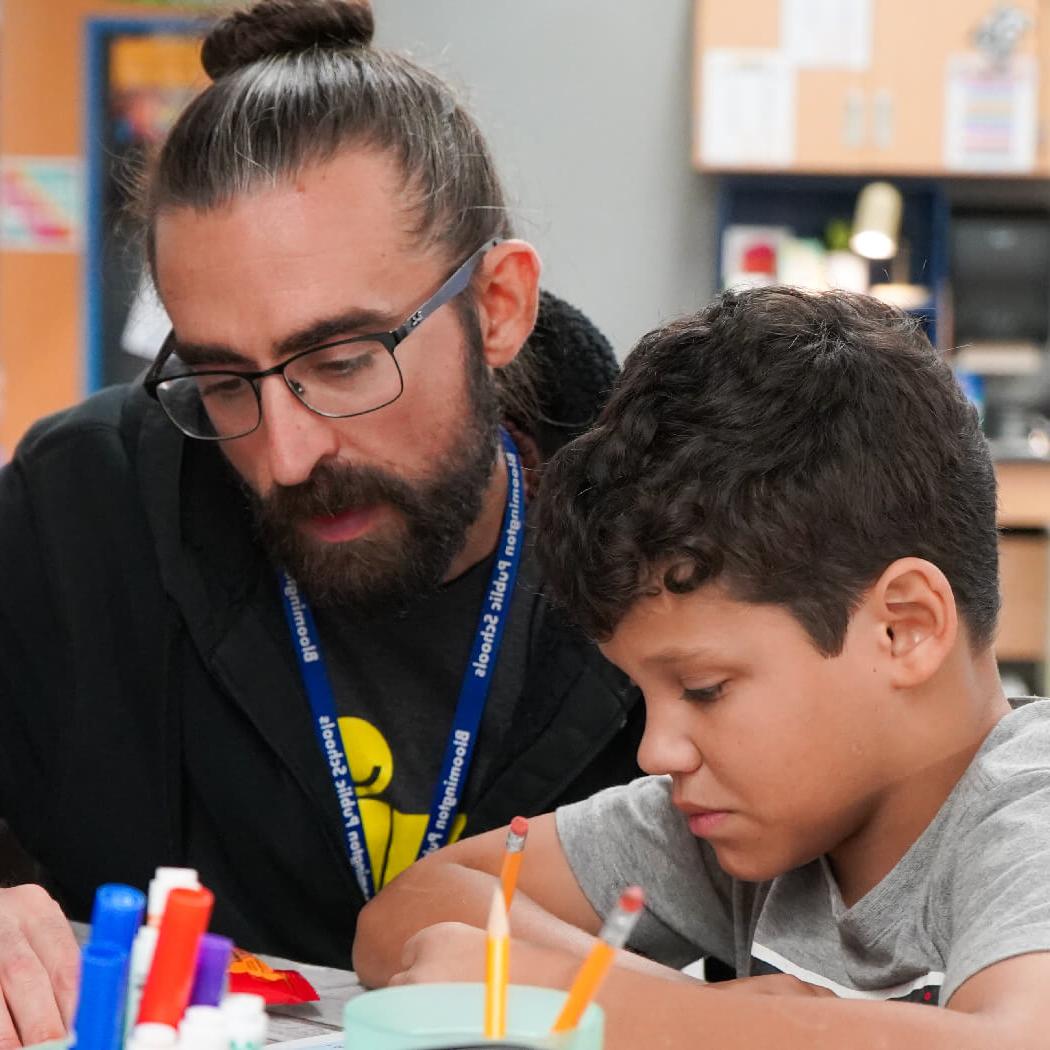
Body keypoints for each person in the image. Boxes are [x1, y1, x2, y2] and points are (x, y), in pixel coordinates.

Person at [0, 0, 645, 1043]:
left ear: (498, 307)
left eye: (342, 363)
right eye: (220, 380)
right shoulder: (77, 508)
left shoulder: (667, 557)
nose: (286, 456)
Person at [353, 287, 1050, 1049]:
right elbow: (409, 912)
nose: (658, 751)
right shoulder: (747, 824)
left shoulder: (1027, 820)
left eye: (704, 689)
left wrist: (570, 998)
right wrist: (655, 1000)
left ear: (903, 627)